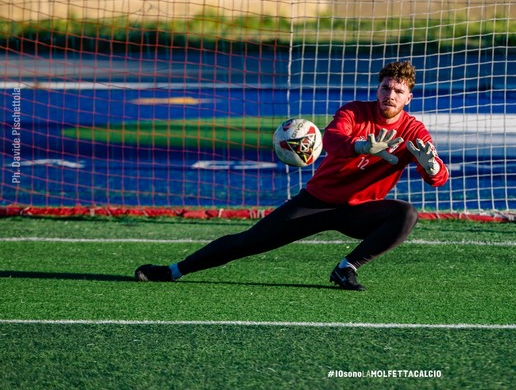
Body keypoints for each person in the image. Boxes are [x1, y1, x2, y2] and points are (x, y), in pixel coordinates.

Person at [135, 61, 449, 290]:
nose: (389, 95)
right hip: (317, 201)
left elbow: (437, 178)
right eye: (385, 88)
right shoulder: (354, 111)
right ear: (377, 89)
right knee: (248, 241)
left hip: (359, 211)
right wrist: (363, 145)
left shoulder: (413, 130)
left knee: (406, 213)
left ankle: (347, 268)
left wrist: (431, 164)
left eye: (398, 91)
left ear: (409, 97)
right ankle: (174, 270)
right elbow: (334, 140)